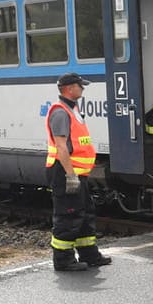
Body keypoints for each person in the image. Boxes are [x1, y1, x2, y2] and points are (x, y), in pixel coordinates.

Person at [45, 73, 108, 271]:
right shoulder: (61, 112)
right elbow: (62, 147)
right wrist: (71, 175)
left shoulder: (72, 110)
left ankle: (90, 255)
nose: (83, 89)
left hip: (77, 173)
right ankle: (63, 260)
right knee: (68, 216)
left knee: (84, 214)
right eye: (81, 86)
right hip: (65, 173)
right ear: (70, 88)